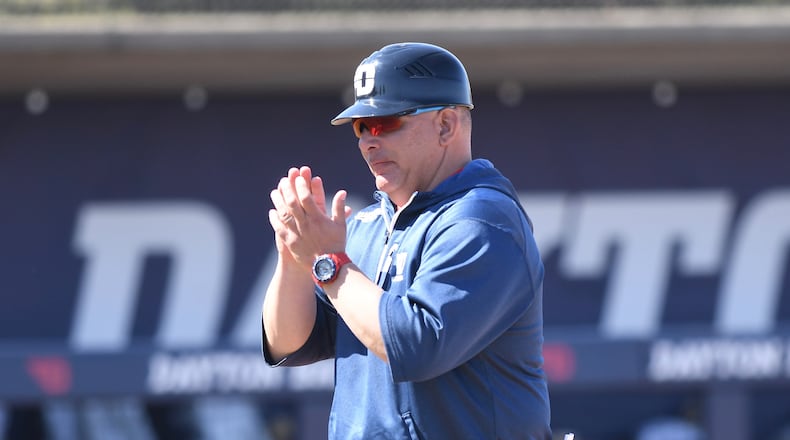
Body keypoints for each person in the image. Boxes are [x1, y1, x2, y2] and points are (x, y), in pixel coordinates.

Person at [262, 42, 551, 439]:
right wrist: (295, 255)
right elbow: (289, 344)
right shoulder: (367, 224)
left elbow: (416, 346)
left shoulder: (483, 220)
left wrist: (327, 260)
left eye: (385, 122)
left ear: (446, 125)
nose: (367, 141)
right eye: (361, 126)